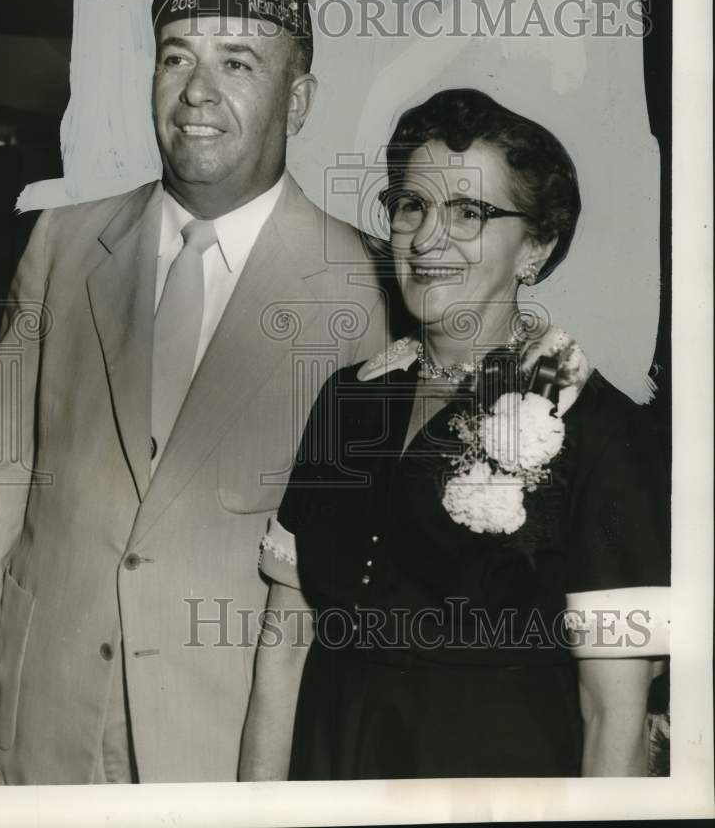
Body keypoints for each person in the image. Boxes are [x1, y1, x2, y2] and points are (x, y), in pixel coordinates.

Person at [0, 0, 385, 785]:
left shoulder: (365, 284)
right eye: (176, 57)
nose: (196, 94)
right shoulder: (63, 243)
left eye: (238, 63)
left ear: (299, 101)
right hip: (43, 711)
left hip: (231, 734)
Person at [240, 88, 670, 780]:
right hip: (328, 779)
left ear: (536, 247)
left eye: (469, 213)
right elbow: (283, 645)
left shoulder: (601, 430)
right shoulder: (349, 400)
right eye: (411, 206)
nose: (427, 239)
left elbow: (611, 713)